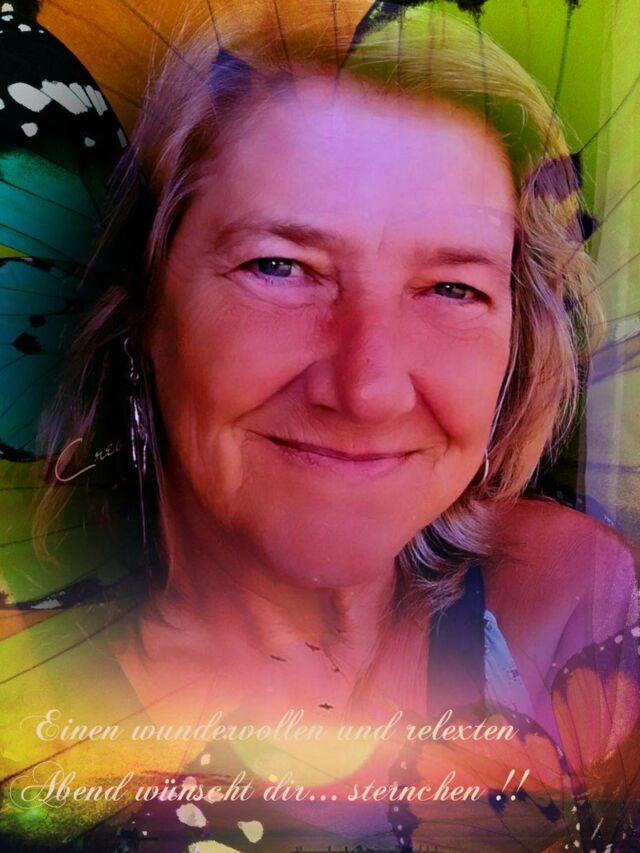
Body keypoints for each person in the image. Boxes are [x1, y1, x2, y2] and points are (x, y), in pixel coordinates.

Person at [22, 1, 639, 848]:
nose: (369, 388)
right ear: (145, 316)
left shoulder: (568, 597)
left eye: (452, 288)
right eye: (281, 267)